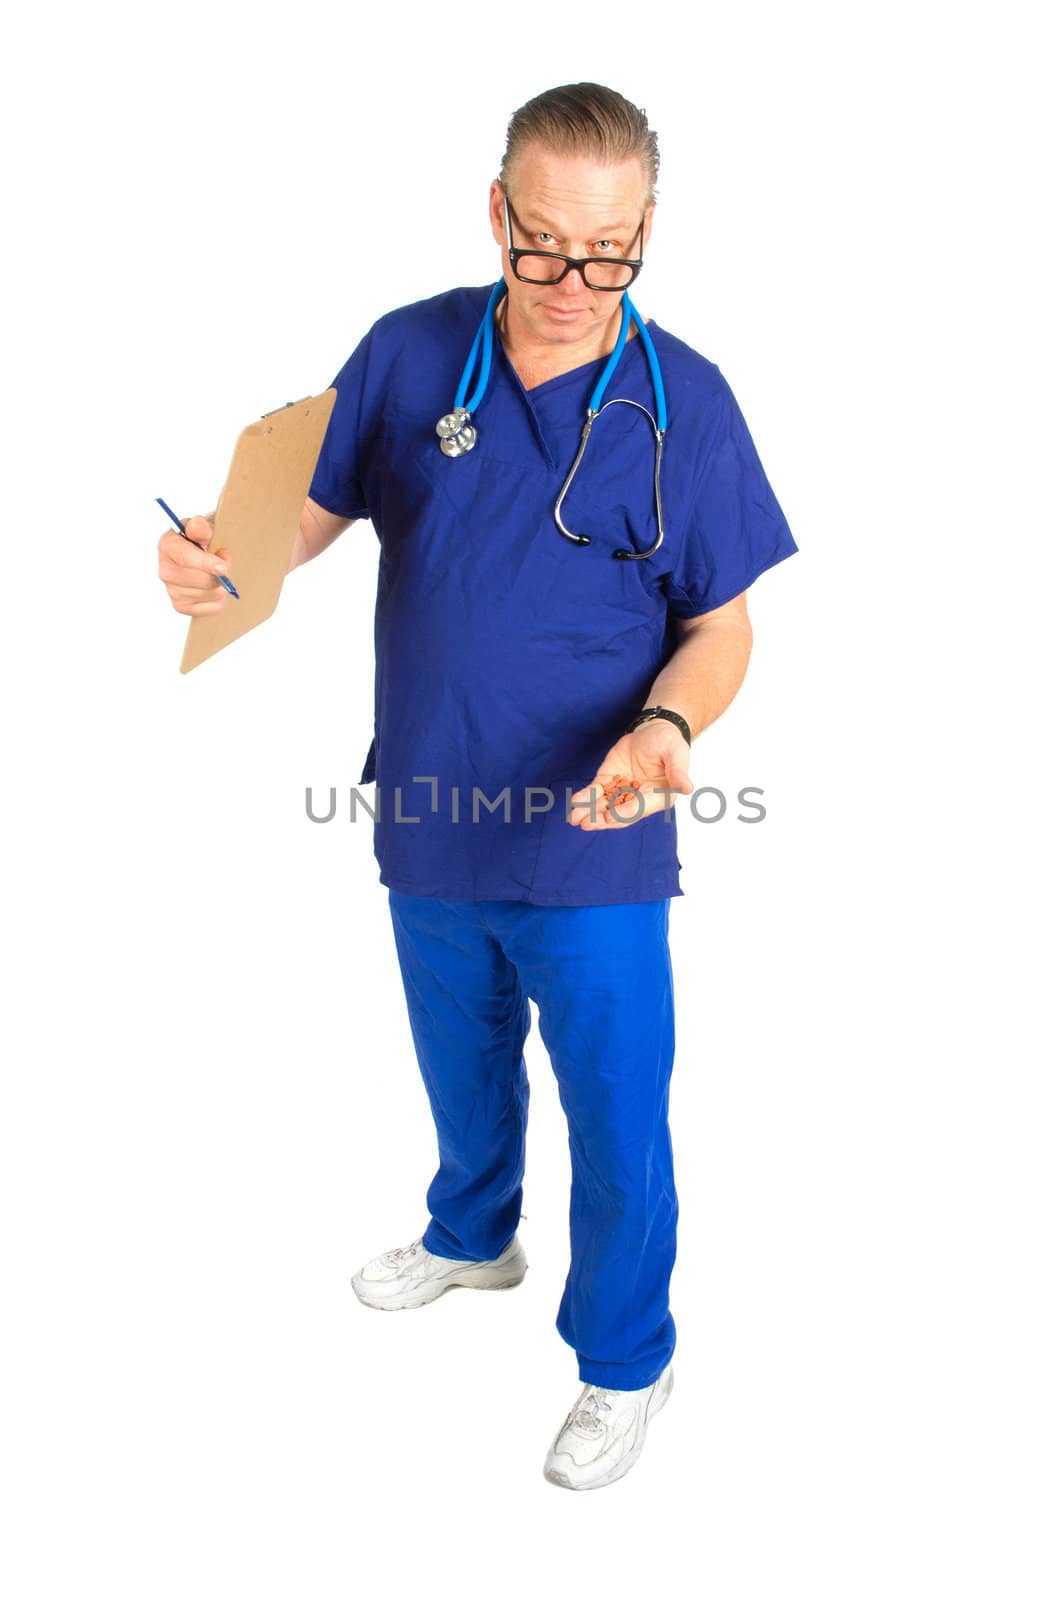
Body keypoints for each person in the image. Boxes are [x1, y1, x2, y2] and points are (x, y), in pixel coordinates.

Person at [157, 82, 798, 1492]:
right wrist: (216, 559)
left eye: (614, 250)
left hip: (596, 833)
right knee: (461, 1068)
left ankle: (628, 1360)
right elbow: (296, 524)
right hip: (434, 812)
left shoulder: (687, 400)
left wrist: (672, 728)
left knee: (618, 1108)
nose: (576, 283)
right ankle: (473, 1237)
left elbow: (725, 624)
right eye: (545, 244)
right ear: (494, 211)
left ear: (648, 230)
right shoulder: (410, 354)